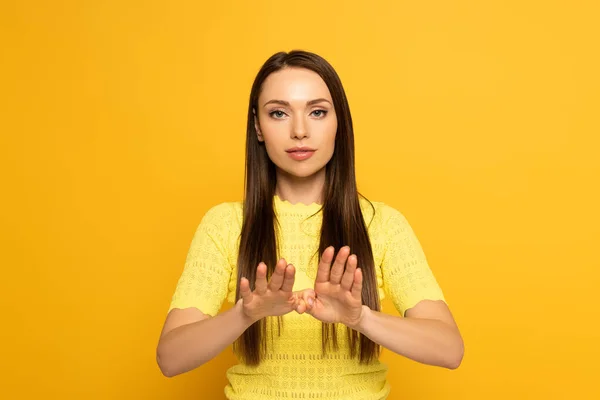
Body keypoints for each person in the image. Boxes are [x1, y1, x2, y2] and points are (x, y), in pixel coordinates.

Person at [156, 50, 464, 399]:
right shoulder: (225, 225)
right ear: (258, 126)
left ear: (339, 123)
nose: (299, 131)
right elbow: (170, 357)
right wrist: (247, 313)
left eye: (317, 112)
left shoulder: (382, 224)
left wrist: (359, 318)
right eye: (278, 113)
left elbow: (449, 349)